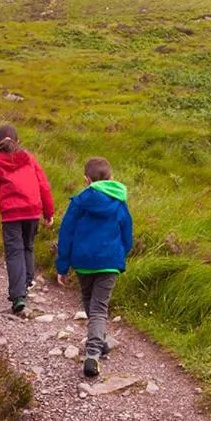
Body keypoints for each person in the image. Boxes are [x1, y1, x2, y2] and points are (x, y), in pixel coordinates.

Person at [55, 157, 133, 378]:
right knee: (98, 307)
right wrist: (120, 253)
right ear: (111, 178)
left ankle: (95, 348)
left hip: (83, 262)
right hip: (109, 263)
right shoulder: (119, 201)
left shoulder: (79, 202)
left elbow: (66, 233)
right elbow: (127, 234)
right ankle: (95, 349)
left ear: (86, 180)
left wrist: (63, 264)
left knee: (90, 302)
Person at [0, 125, 55, 314]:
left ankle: (18, 296)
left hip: (11, 215)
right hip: (32, 212)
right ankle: (27, 282)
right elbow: (44, 186)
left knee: (14, 252)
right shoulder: (29, 159)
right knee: (28, 246)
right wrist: (48, 212)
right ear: (18, 141)